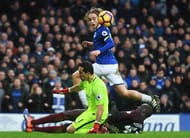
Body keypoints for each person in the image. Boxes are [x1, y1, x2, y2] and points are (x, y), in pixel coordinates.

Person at [72, 8, 160, 112]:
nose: (91, 22)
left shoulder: (103, 29)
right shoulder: (98, 31)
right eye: (90, 20)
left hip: (103, 66)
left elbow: (111, 43)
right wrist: (91, 44)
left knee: (76, 75)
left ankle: (87, 106)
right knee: (124, 93)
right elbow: (102, 43)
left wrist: (99, 51)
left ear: (100, 18)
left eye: (94, 19)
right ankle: (151, 99)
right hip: (112, 66)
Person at [24, 61, 109, 134]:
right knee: (66, 120)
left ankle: (99, 131)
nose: (79, 75)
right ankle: (32, 124)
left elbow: (100, 108)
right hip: (89, 111)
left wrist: (96, 124)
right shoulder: (87, 80)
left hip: (97, 114)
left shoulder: (98, 86)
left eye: (81, 72)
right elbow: (79, 86)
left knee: (69, 129)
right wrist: (65, 91)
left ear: (87, 73)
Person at [23, 103, 153, 134]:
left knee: (67, 115)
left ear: (144, 111)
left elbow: (118, 115)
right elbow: (120, 131)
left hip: (101, 119)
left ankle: (32, 122)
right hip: (103, 128)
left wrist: (111, 105)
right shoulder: (139, 130)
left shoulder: (136, 115)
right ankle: (33, 128)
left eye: (140, 107)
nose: (137, 108)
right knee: (66, 128)